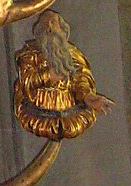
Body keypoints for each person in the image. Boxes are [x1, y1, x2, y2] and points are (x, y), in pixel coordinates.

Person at [14, 11, 114, 141]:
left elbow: (80, 78)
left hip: (71, 114)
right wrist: (47, 76)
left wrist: (87, 96)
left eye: (53, 22)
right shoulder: (30, 55)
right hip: (38, 114)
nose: (50, 27)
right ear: (39, 31)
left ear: (63, 29)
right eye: (45, 24)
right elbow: (26, 81)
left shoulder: (73, 55)